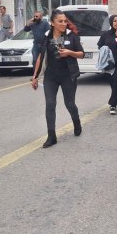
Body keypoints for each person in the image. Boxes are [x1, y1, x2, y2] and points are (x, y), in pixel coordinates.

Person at [30, 9, 85, 148]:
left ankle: (76, 121)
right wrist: (35, 76)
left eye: (65, 21)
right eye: (60, 21)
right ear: (52, 23)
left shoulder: (72, 36)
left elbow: (81, 54)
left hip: (68, 75)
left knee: (70, 104)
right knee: (50, 104)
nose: (63, 23)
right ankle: (51, 136)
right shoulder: (47, 36)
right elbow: (40, 57)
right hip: (51, 76)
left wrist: (69, 52)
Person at [97, 15, 117, 115]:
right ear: (111, 22)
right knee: (113, 83)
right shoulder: (106, 35)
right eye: (115, 21)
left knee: (116, 82)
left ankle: (113, 105)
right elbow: (100, 45)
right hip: (109, 63)